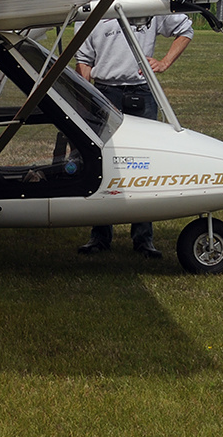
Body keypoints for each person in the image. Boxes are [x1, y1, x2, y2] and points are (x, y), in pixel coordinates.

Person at [75, 13, 193, 258]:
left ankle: (143, 239)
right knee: (102, 162)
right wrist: (85, 99)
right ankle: (99, 236)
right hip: (105, 91)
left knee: (146, 162)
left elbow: (185, 29)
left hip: (142, 91)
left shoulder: (145, 5)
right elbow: (84, 59)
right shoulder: (94, 9)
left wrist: (164, 62)